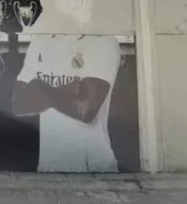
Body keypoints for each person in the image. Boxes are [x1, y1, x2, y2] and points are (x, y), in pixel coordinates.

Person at [12, 34, 121, 172]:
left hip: (95, 167)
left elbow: (85, 110)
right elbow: (19, 104)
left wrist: (42, 92)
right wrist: (67, 92)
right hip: (50, 165)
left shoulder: (103, 42)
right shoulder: (40, 41)